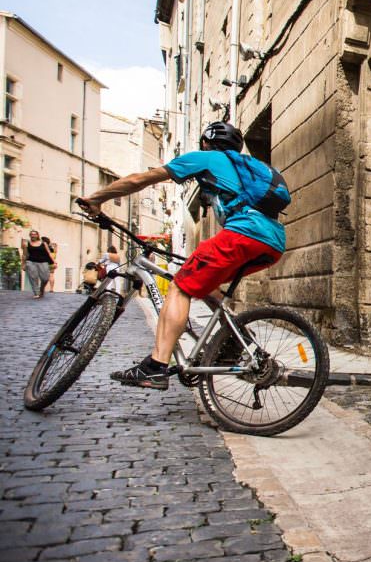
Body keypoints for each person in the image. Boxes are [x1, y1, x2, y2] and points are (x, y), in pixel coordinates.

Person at [77, 121, 289, 390]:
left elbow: (139, 180)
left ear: (205, 143)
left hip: (242, 234)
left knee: (179, 287)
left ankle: (155, 366)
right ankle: (237, 339)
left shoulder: (206, 158)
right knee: (204, 286)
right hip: (272, 244)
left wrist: (96, 199)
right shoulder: (249, 167)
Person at [21, 229, 54, 299]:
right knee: (33, 277)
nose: (33, 235)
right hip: (31, 262)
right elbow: (24, 255)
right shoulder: (26, 243)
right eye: (31, 234)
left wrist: (54, 262)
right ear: (30, 235)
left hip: (43, 262)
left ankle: (41, 289)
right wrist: (23, 264)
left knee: (45, 278)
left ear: (37, 235)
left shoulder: (43, 243)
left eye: (34, 234)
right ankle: (36, 293)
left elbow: (49, 253)